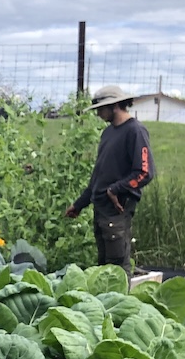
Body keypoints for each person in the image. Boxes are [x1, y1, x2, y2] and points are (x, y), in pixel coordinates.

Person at [65, 84, 155, 271]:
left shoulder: (135, 131)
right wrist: (80, 204)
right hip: (101, 209)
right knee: (104, 268)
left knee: (118, 269)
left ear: (114, 106)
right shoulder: (108, 133)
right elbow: (99, 175)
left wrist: (116, 189)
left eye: (100, 109)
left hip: (117, 209)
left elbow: (145, 172)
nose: (98, 114)